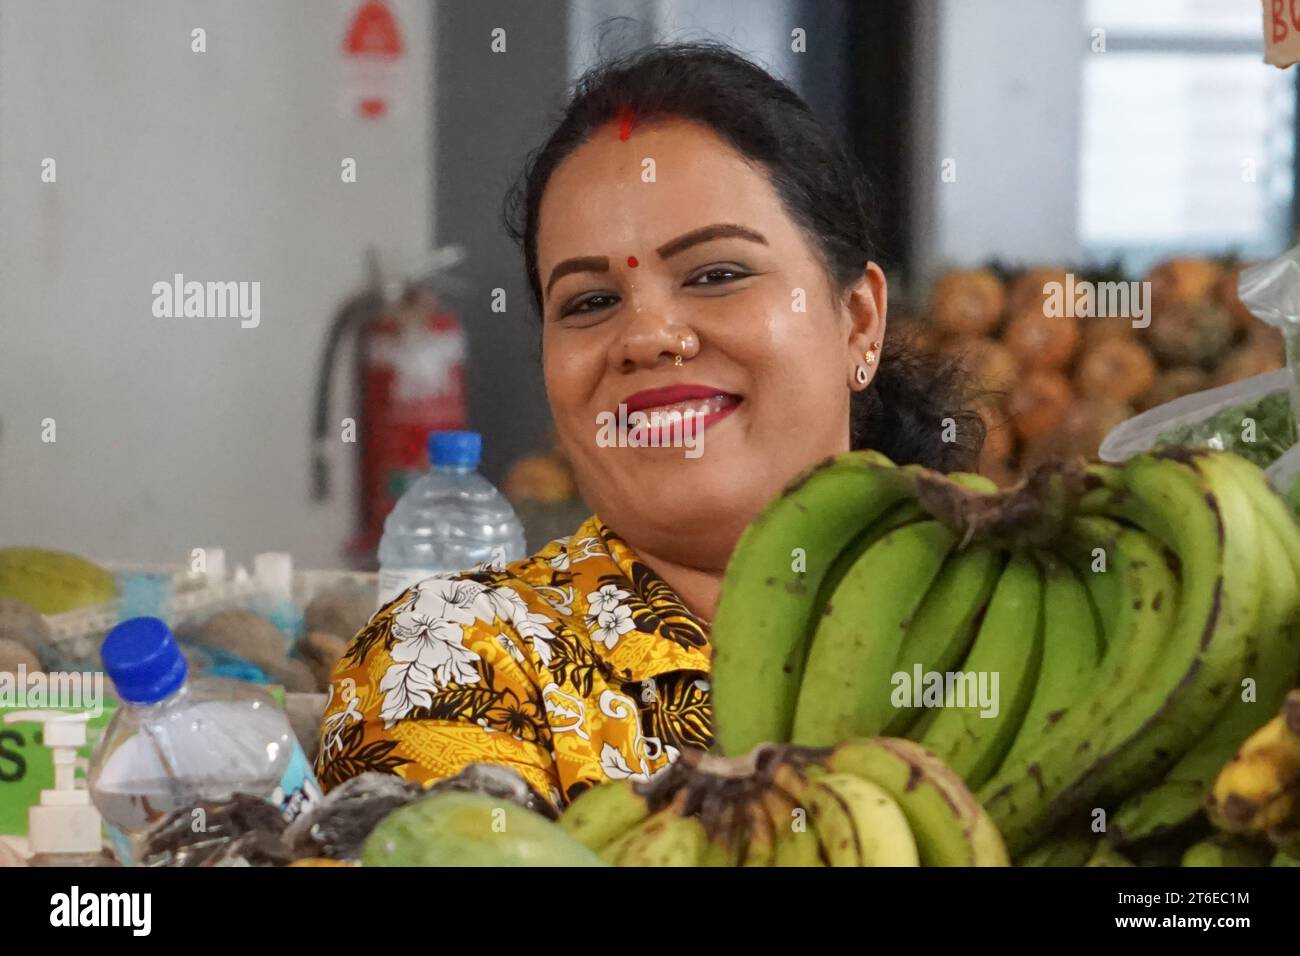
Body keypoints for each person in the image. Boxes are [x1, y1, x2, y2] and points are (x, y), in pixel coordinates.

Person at [316, 41, 983, 809]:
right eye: (591, 302)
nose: (648, 336)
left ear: (859, 320)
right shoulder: (457, 656)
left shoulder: (1013, 628)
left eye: (716, 274)